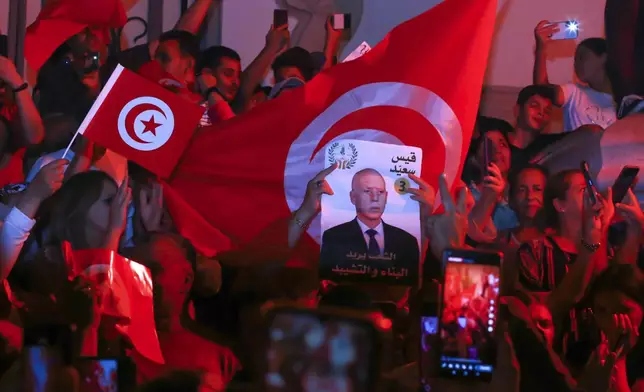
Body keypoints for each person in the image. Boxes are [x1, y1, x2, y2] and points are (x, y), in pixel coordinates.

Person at [320, 168, 419, 268]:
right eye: (368, 191)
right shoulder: (333, 238)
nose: (375, 198)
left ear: (386, 196)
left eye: (380, 192)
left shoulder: (407, 241)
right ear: (353, 197)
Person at [534, 22, 616, 131]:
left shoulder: (625, 101)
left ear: (604, 57)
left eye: (582, 57)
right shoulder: (574, 93)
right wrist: (541, 48)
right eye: (575, 60)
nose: (576, 64)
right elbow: (541, 89)